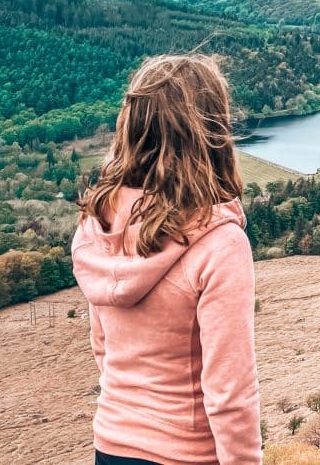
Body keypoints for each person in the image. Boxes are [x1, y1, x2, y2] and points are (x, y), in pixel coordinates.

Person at [72, 54, 261, 465]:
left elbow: (103, 349)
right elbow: (230, 392)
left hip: (111, 445)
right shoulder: (220, 243)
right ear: (210, 132)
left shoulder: (100, 224)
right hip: (186, 454)